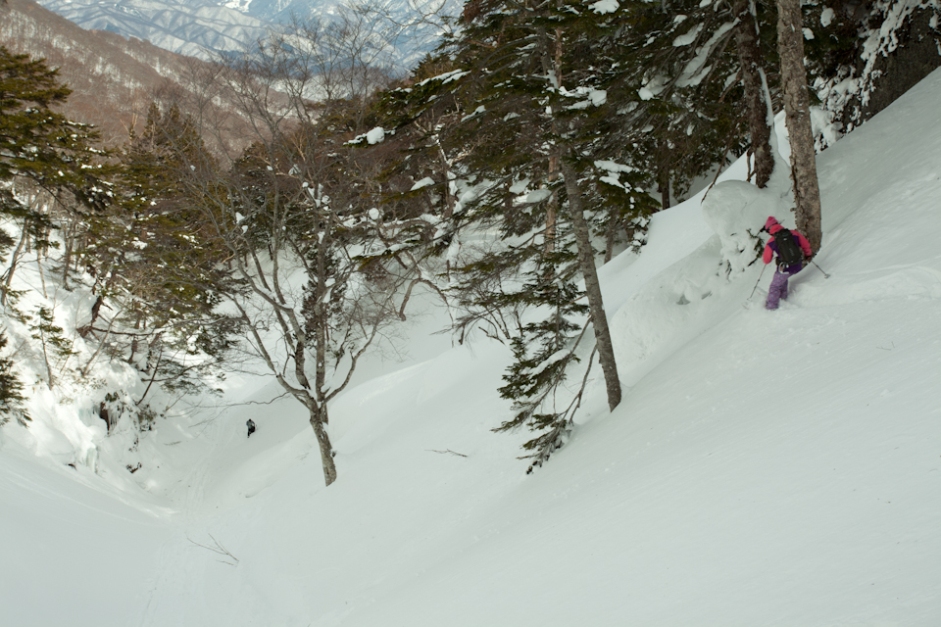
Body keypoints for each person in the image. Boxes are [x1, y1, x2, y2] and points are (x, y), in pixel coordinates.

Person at [761, 216, 812, 310]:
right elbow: (806, 245)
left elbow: (766, 260)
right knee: (783, 281)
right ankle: (783, 299)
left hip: (785, 268)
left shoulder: (772, 241)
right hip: (798, 264)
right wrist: (808, 255)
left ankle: (771, 307)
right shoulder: (793, 233)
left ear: (769, 229)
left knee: (775, 286)